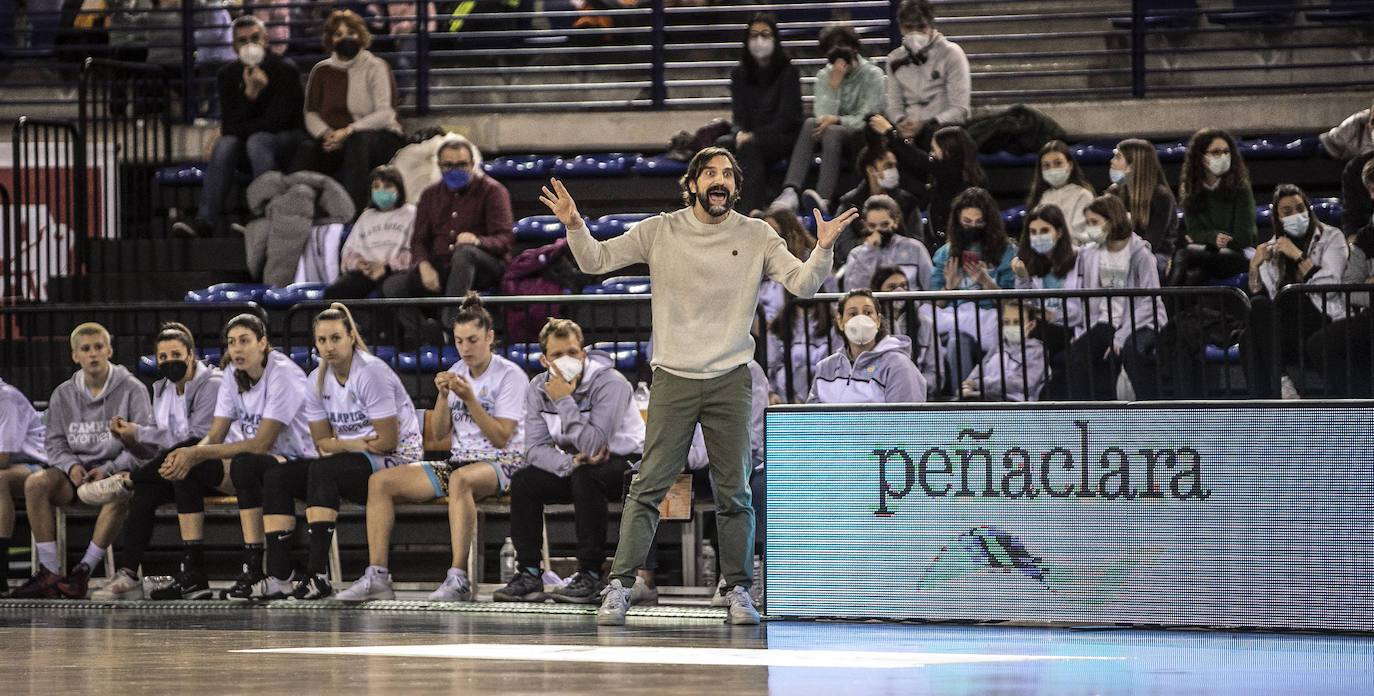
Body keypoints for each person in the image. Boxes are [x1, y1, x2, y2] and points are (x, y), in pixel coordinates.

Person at [539, 146, 856, 625]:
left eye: (728, 174)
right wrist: (574, 223)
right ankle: (621, 586)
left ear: (736, 186)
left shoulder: (756, 235)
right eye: (710, 173)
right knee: (647, 487)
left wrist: (824, 247)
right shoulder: (660, 229)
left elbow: (804, 285)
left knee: (736, 494)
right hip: (673, 378)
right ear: (692, 184)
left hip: (732, 379)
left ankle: (740, 591)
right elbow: (595, 262)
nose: (720, 181)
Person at [337, 293, 526, 602]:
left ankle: (458, 578)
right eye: (460, 341)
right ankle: (378, 576)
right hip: (459, 463)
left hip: (503, 463)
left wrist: (470, 400)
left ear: (490, 337)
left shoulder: (510, 376)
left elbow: (501, 437)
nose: (465, 348)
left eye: (473, 340)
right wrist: (442, 397)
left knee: (460, 480)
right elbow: (439, 433)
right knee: (380, 482)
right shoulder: (457, 370)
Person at [154, 314, 317, 601]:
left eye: (245, 341)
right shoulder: (230, 373)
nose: (237, 349)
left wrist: (195, 452)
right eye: (232, 343)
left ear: (263, 343)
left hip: (300, 461)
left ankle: (255, 567)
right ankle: (194, 573)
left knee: (241, 462)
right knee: (188, 467)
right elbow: (214, 436)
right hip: (264, 463)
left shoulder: (283, 373)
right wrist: (191, 456)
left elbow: (261, 443)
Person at [493, 319, 646, 604]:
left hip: (628, 464)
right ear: (544, 360)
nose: (566, 360)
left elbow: (595, 444)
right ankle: (528, 573)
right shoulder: (538, 387)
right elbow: (534, 450)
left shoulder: (610, 383)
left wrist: (564, 400)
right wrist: (571, 462)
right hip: (579, 465)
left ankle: (589, 574)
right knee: (525, 481)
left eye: (573, 353)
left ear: (584, 354)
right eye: (557, 355)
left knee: (588, 477)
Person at [290, 304, 424, 600]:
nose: (329, 347)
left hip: (401, 460)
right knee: (282, 475)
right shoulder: (316, 381)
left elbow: (388, 440)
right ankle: (281, 574)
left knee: (323, 470)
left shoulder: (370, 372)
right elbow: (321, 444)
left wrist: (342, 446)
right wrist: (357, 444)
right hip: (358, 457)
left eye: (336, 338)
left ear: (351, 337)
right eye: (322, 340)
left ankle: (316, 572)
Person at [13, 323, 152, 599]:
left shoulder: (132, 389)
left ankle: (82, 572)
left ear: (110, 350)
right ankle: (50, 572)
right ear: (75, 356)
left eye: (99, 347)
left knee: (122, 486)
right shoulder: (63, 394)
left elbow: (144, 444)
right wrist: (71, 467)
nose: (93, 354)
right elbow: (53, 443)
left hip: (113, 474)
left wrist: (109, 469)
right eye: (86, 349)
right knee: (35, 483)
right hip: (72, 478)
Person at [93, 323, 225, 601]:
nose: (168, 362)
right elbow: (156, 448)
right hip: (180, 470)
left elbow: (200, 438)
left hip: (218, 465)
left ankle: (128, 480)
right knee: (149, 490)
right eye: (162, 357)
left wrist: (140, 434)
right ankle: (129, 574)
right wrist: (130, 439)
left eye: (175, 354)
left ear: (191, 355)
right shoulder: (161, 389)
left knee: (185, 455)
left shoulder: (212, 384)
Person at [173, 14, 306, 238]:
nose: (250, 45)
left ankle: (262, 216)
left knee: (257, 140)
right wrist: (250, 94)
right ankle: (204, 221)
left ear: (265, 40)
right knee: (226, 144)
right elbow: (230, 126)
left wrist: (235, 127)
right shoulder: (228, 75)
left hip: (287, 143)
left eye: (255, 38)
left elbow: (275, 123)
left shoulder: (284, 69)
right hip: (251, 148)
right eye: (243, 40)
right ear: (234, 47)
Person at [289, 10, 406, 214]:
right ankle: (291, 210)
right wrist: (326, 134)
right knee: (307, 149)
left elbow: (385, 114)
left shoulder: (376, 66)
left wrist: (349, 130)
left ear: (360, 35)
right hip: (335, 138)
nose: (345, 38)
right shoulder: (321, 71)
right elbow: (311, 113)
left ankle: (354, 214)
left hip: (381, 137)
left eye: (351, 32)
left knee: (357, 142)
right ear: (330, 40)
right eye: (338, 34)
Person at [1240, 185, 1349, 399]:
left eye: (1300, 208)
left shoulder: (1331, 237)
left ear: (1308, 209)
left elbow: (1332, 285)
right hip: (1288, 330)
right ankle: (1274, 393)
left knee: (1286, 301)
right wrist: (1254, 266)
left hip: (1323, 318)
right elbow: (1264, 298)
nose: (1296, 215)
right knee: (1249, 334)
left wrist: (1298, 256)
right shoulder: (1273, 248)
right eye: (1287, 212)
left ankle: (1269, 399)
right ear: (1278, 218)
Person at [770, 24, 884, 216]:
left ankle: (823, 197)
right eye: (831, 48)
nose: (837, 53)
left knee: (832, 130)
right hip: (831, 134)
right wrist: (834, 86)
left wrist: (838, 120)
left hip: (859, 136)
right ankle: (791, 190)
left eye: (842, 46)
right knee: (810, 124)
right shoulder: (825, 75)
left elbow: (868, 117)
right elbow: (821, 115)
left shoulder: (873, 74)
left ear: (854, 48)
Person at [385, 136, 514, 304]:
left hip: (483, 267)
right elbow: (419, 240)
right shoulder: (429, 195)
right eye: (448, 165)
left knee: (464, 252)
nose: (455, 170)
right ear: (439, 166)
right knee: (393, 286)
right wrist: (423, 265)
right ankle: (423, 329)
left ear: (472, 164)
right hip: (441, 267)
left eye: (461, 164)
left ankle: (450, 323)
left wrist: (478, 241)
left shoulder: (493, 191)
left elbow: (505, 239)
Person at [1065, 195, 1167, 401]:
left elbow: (1150, 300)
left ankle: (1153, 411)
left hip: (1142, 322)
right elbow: (1084, 299)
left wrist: (1121, 336)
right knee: (1077, 354)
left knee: (1130, 351)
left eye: (1095, 222)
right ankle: (1086, 416)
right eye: (1088, 223)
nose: (1090, 227)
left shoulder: (1140, 253)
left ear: (1111, 221)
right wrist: (1082, 330)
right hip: (1106, 321)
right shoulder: (1089, 254)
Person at [929, 187, 1018, 395]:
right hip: (955, 322)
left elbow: (1013, 304)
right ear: (958, 221)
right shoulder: (946, 254)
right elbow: (935, 303)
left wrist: (986, 283)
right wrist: (949, 287)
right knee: (956, 342)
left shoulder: (1007, 252)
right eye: (967, 222)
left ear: (989, 223)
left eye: (979, 222)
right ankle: (963, 398)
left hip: (995, 321)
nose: (972, 227)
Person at [720, 12, 802, 214]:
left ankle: (750, 212)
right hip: (750, 135)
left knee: (749, 146)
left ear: (775, 38)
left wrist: (753, 136)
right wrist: (739, 132)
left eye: (765, 34)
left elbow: (788, 117)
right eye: (754, 35)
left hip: (781, 136)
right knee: (721, 145)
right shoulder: (738, 73)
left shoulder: (788, 72)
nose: (759, 40)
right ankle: (718, 208)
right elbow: (738, 115)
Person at [1306, 159, 1374, 397]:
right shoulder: (1367, 236)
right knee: (1320, 344)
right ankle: (1360, 407)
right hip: (1371, 316)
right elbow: (1350, 288)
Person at [1168, 128, 1257, 286]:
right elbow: (1194, 232)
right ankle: (1178, 310)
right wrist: (1215, 237)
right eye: (1216, 152)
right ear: (1201, 157)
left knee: (1184, 255)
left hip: (1239, 255)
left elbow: (1244, 238)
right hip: (1207, 255)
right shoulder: (1190, 188)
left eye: (1226, 152)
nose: (1223, 156)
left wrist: (1208, 238)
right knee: (1194, 275)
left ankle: (1161, 308)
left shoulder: (1241, 187)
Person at [1010, 204, 1082, 399]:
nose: (1038, 236)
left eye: (1044, 230)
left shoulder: (1080, 258)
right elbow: (1025, 305)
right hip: (1043, 328)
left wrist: (1055, 315)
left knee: (1033, 332)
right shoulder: (1028, 262)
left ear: (1059, 232)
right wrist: (1023, 278)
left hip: (1073, 327)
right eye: (1033, 232)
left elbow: (1086, 307)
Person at [807, 289, 926, 403]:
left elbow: (907, 420)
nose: (861, 319)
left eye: (868, 313)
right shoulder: (825, 367)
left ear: (878, 321)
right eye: (852, 314)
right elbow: (811, 419)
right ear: (840, 322)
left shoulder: (898, 365)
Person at [883, 0, 970, 151]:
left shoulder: (951, 54)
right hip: (907, 127)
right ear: (901, 28)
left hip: (940, 127)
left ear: (931, 26)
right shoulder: (894, 59)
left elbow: (960, 109)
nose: (915, 33)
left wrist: (925, 125)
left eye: (921, 27)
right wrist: (902, 122)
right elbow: (893, 106)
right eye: (909, 27)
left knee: (930, 137)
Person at [324, 165, 417, 299]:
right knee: (334, 292)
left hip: (394, 272)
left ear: (399, 189)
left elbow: (414, 251)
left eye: (387, 186)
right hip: (365, 272)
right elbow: (349, 251)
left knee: (387, 291)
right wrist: (359, 264)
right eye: (376, 186)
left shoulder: (411, 213)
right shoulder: (366, 217)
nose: (381, 191)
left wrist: (386, 267)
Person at [834, 134, 924, 262]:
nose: (894, 170)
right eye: (888, 166)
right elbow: (842, 248)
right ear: (871, 170)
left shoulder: (908, 202)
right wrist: (866, 244)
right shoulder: (849, 204)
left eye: (895, 165)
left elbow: (918, 242)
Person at [1106, 138, 1178, 281]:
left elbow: (1152, 243)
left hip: (1155, 255)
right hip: (1121, 253)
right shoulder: (1113, 193)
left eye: (1118, 157)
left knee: (1133, 266)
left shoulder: (1161, 196)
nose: (1112, 161)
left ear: (1133, 165)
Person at [0, 377, 47, 596]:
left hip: (41, 465)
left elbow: (3, 459)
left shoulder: (6, 397)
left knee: (0, 479)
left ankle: (1, 572)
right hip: (14, 466)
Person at [840, 194, 933, 292]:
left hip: (911, 306)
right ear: (865, 225)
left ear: (895, 221)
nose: (878, 230)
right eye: (872, 226)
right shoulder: (856, 254)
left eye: (884, 225)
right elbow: (852, 291)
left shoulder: (915, 248)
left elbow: (930, 288)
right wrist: (869, 252)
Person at [961, 300, 1046, 402]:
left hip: (1016, 407)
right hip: (984, 400)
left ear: (1031, 325)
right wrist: (966, 388)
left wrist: (981, 384)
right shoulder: (996, 348)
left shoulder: (1037, 350)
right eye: (1006, 322)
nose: (1011, 326)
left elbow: (1025, 384)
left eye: (1017, 322)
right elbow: (972, 378)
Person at [870, 265, 937, 389]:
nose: (899, 291)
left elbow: (934, 370)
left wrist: (914, 385)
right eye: (891, 287)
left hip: (918, 392)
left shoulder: (925, 324)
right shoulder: (870, 326)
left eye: (904, 286)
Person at [1025, 140, 1095, 246]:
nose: (1052, 169)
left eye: (1058, 163)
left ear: (1070, 165)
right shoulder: (1042, 197)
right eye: (1046, 165)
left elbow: (1082, 236)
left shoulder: (1083, 195)